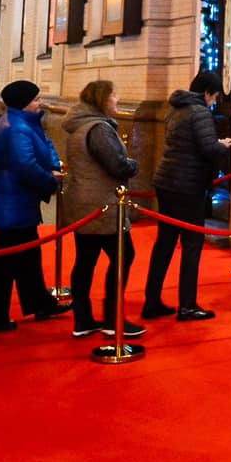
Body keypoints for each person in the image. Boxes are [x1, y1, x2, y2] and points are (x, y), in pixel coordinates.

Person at [0, 80, 66, 331]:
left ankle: (39, 303)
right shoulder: (16, 127)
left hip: (16, 203)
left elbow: (47, 146)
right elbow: (25, 165)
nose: (41, 102)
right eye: (36, 99)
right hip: (10, 203)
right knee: (2, 265)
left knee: (27, 257)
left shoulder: (24, 122)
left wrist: (54, 166)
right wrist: (50, 180)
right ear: (24, 103)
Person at [141, 70, 231, 322]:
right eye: (214, 97)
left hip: (167, 181)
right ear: (206, 92)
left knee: (165, 243)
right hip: (187, 186)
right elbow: (207, 148)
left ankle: (152, 300)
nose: (214, 102)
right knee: (192, 245)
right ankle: (188, 305)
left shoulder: (176, 108)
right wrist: (222, 145)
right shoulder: (199, 111)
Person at [60, 80, 143, 341]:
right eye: (114, 95)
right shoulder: (99, 128)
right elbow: (115, 164)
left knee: (86, 260)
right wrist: (133, 165)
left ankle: (83, 318)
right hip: (102, 203)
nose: (117, 100)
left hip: (83, 202)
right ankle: (112, 317)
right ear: (102, 99)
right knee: (123, 255)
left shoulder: (80, 125)